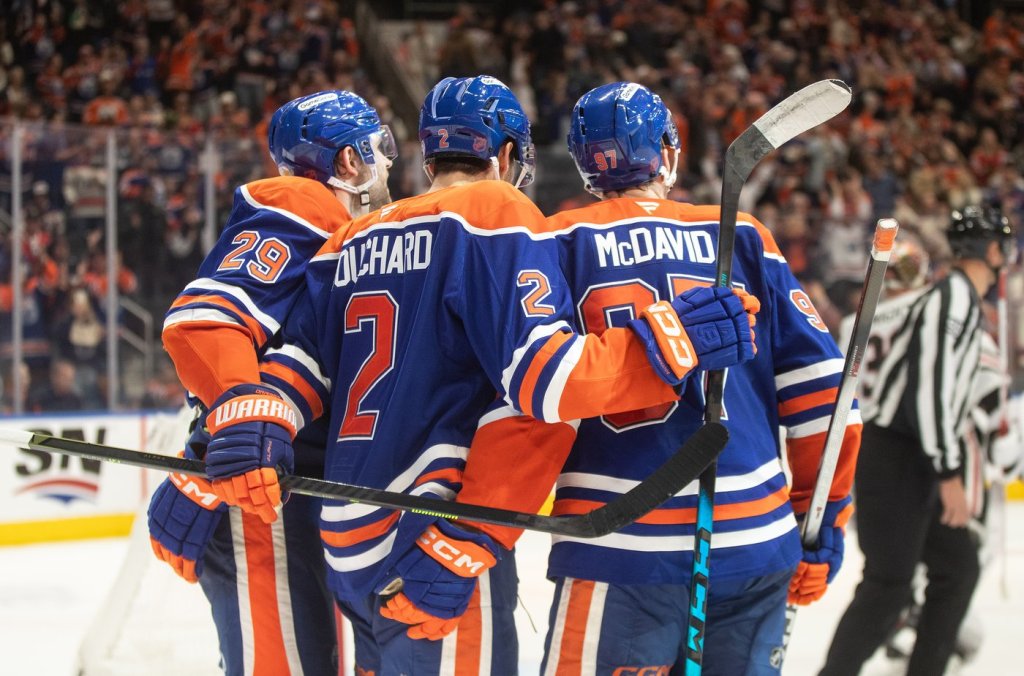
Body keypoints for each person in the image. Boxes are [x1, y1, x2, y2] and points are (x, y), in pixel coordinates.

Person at [205, 75, 757, 675]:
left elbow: (298, 370)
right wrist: (674, 339)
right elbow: (547, 381)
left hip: (347, 542)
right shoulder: (497, 211)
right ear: (507, 153)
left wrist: (245, 421)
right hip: (433, 538)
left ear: (429, 155)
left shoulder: (353, 236)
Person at [472, 82, 859, 675]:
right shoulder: (740, 233)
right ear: (669, 152)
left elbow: (529, 396)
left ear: (583, 164)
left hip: (615, 545)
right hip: (754, 542)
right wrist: (821, 520)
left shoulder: (551, 240)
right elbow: (823, 392)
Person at [146, 89, 397, 676]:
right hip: (263, 495)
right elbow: (206, 319)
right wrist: (236, 420)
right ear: (349, 161)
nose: (389, 160)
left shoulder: (365, 232)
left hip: (301, 491)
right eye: (379, 146)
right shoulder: (304, 201)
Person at [820, 205, 1015, 676]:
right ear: (992, 250)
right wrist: (950, 473)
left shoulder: (951, 297)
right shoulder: (952, 297)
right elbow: (931, 392)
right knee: (889, 583)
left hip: (909, 452)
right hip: (899, 455)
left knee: (958, 568)